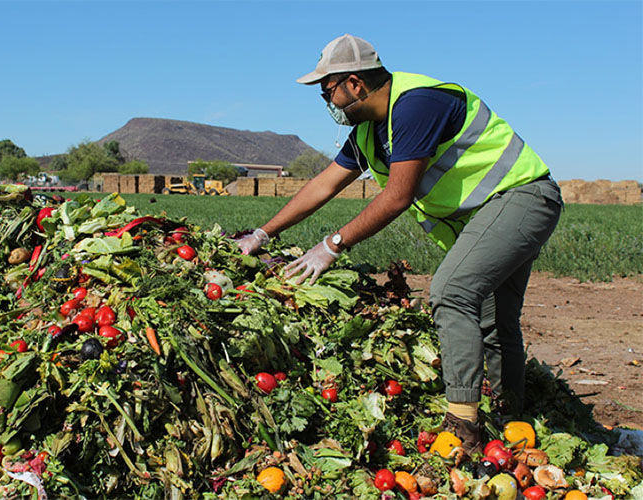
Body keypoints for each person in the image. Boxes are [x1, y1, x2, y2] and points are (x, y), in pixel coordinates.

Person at [236, 34, 562, 452]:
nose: (327, 99)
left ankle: (463, 424)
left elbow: (397, 196)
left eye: (327, 89)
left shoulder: (415, 104)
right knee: (492, 319)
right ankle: (510, 422)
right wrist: (264, 233)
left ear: (354, 83)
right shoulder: (370, 132)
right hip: (489, 214)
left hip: (521, 198)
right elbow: (322, 185)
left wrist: (332, 245)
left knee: (452, 291)